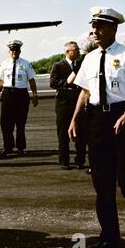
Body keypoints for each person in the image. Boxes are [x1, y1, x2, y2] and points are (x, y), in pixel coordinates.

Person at [68, 7, 125, 248]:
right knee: (102, 182)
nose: (95, 31)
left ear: (113, 28)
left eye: (100, 26)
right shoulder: (89, 59)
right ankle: (109, 235)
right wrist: (74, 119)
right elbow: (84, 91)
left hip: (123, 119)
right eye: (93, 26)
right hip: (98, 122)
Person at [0, 40, 38, 158]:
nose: (14, 52)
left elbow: (32, 80)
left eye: (16, 50)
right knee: (5, 123)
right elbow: (1, 80)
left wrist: (35, 94)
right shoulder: (4, 64)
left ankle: (21, 147)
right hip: (8, 94)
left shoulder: (26, 64)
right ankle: (7, 148)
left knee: (20, 123)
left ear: (20, 51)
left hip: (21, 95)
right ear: (9, 51)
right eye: (12, 50)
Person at [50, 41, 86, 169]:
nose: (78, 51)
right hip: (63, 103)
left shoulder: (82, 65)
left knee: (81, 132)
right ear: (67, 52)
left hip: (78, 101)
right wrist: (68, 81)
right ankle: (64, 160)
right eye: (75, 49)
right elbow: (53, 83)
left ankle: (80, 160)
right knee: (63, 133)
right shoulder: (58, 65)